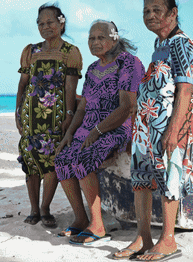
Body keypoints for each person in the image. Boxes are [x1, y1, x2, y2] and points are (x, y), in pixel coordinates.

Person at [112, 0, 193, 261]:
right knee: (141, 180)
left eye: (157, 10)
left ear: (173, 13)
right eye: (146, 10)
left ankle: (168, 240)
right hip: (146, 126)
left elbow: (185, 89)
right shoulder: (159, 44)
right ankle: (143, 237)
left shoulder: (182, 43)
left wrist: (174, 130)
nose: (150, 15)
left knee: (169, 179)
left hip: (168, 128)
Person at [54, 20, 145, 245]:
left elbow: (126, 106)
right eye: (91, 38)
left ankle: (98, 226)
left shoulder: (129, 64)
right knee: (62, 160)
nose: (95, 42)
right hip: (89, 129)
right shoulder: (94, 68)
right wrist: (69, 134)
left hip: (117, 128)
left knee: (84, 159)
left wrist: (97, 131)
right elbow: (83, 107)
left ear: (114, 38)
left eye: (100, 37)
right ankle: (80, 218)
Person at [16, 3, 83, 228]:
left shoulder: (70, 52)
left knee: (52, 163)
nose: (45, 27)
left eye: (50, 22)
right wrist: (17, 112)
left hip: (56, 119)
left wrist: (69, 115)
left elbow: (70, 89)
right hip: (30, 119)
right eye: (40, 23)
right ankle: (34, 209)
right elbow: (23, 85)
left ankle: (45, 208)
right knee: (30, 162)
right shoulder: (30, 51)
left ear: (61, 23)